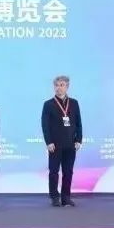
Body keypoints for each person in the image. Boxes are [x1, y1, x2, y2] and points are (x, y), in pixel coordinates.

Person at [41, 75, 82, 207]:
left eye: (62, 85)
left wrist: (79, 140)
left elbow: (78, 123)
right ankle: (54, 197)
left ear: (67, 87)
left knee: (68, 171)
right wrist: (48, 142)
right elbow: (45, 125)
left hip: (70, 143)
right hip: (55, 144)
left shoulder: (74, 103)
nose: (59, 88)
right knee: (54, 171)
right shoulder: (48, 104)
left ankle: (66, 197)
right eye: (57, 85)